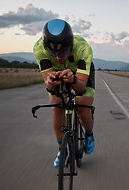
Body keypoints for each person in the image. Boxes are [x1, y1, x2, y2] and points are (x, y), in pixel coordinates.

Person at [33, 19, 95, 167]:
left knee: (82, 106)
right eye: (52, 52)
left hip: (79, 74)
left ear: (70, 44)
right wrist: (50, 83)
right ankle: (62, 149)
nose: (57, 57)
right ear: (46, 46)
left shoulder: (83, 48)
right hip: (58, 73)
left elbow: (80, 88)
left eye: (63, 51)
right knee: (56, 106)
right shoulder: (39, 49)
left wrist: (73, 80)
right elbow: (50, 87)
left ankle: (89, 133)